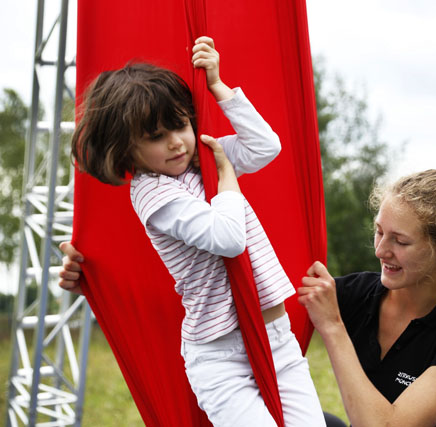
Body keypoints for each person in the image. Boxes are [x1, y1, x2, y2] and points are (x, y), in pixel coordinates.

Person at [69, 36, 325, 426]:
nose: (176, 143)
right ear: (126, 150)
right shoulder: (154, 193)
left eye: (180, 125)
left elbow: (265, 147)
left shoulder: (200, 162)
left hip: (276, 336)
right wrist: (228, 179)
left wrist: (219, 88)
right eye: (156, 137)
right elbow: (228, 238)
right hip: (222, 357)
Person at [298, 166, 436, 426]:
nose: (380, 251)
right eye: (379, 231)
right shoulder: (356, 293)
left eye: (400, 241)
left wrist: (332, 327)